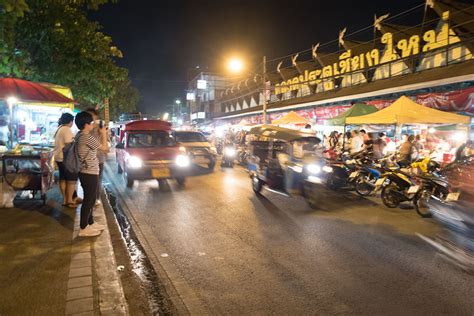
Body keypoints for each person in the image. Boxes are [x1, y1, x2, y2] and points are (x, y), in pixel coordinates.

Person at [75, 111, 108, 237]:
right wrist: (104, 134)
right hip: (89, 172)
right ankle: (83, 227)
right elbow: (105, 148)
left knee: (91, 198)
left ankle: (90, 223)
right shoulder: (86, 137)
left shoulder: (80, 135)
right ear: (86, 124)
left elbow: (95, 146)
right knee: (89, 200)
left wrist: (100, 133)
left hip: (86, 171)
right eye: (91, 122)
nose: (93, 124)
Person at [54, 113, 80, 207]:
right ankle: (70, 201)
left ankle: (65, 200)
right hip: (65, 158)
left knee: (63, 178)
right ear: (70, 121)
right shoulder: (66, 129)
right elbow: (69, 145)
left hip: (58, 157)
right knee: (70, 180)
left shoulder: (60, 128)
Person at [86, 108, 109, 206]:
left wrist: (104, 133)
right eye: (89, 116)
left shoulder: (100, 127)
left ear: (96, 117)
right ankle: (90, 198)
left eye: (93, 116)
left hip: (99, 158)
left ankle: (96, 198)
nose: (91, 118)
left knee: (98, 180)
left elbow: (106, 146)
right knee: (89, 181)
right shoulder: (86, 128)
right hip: (88, 159)